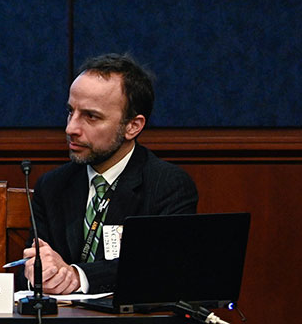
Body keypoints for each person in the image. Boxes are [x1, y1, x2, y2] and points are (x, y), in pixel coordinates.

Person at [24, 53, 198, 294]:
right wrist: (39, 269)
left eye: (91, 116)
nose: (70, 128)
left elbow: (159, 267)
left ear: (132, 126)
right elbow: (37, 262)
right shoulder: (52, 185)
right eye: (70, 112)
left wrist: (79, 276)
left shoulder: (167, 185)